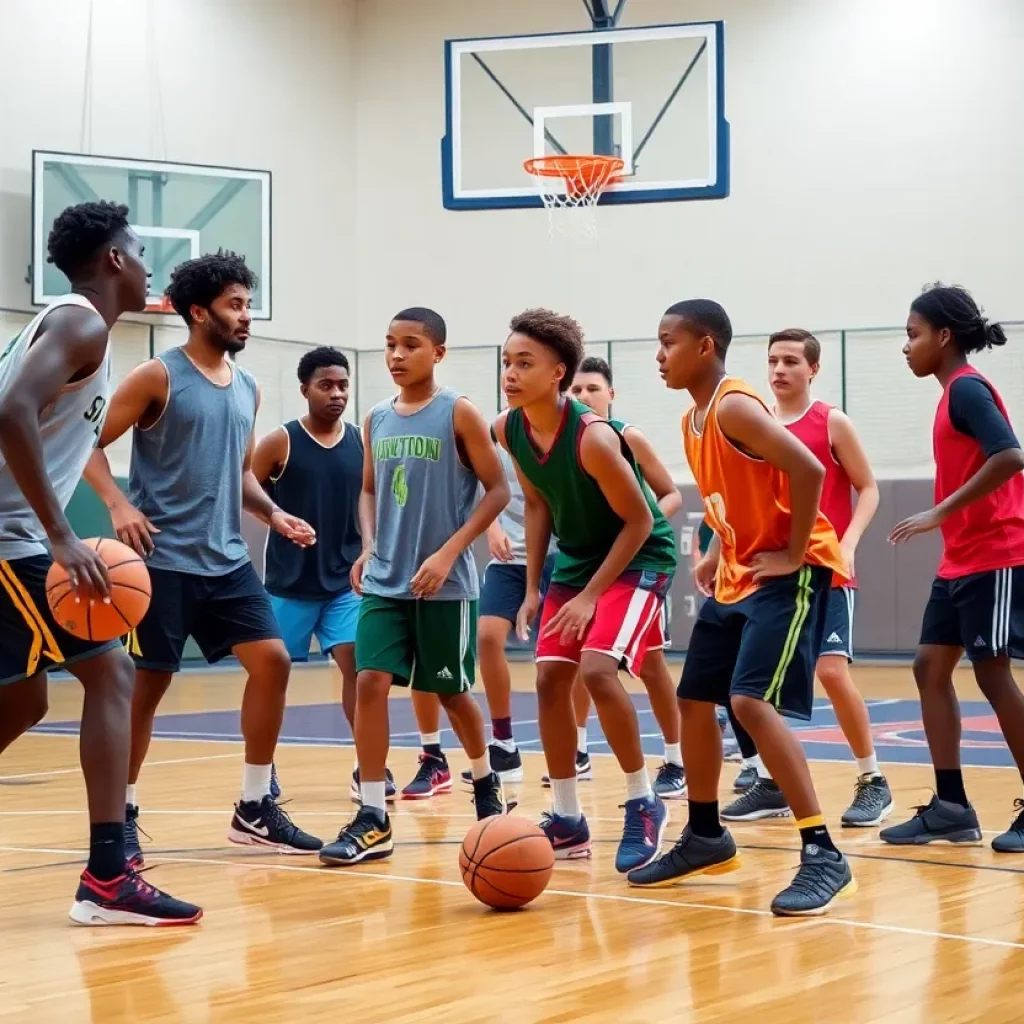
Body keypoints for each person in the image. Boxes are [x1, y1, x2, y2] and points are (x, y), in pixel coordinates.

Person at [84, 251, 322, 864]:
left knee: (273, 663)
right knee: (146, 690)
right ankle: (124, 810)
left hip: (227, 560)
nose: (247, 317)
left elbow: (241, 472)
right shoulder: (156, 377)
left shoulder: (247, 386)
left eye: (247, 304)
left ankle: (253, 806)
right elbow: (85, 445)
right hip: (159, 562)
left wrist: (273, 514)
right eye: (235, 305)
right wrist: (116, 504)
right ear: (198, 312)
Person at [0, 201, 200, 924]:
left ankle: (110, 876)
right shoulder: (80, 320)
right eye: (141, 250)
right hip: (11, 537)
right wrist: (60, 535)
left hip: (16, 533)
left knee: (24, 697)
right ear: (115, 260)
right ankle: (110, 876)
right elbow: (11, 413)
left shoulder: (67, 326)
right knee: (113, 671)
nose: (149, 263)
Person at [630, 298, 855, 917]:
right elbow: (735, 493)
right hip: (736, 575)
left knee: (749, 701)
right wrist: (711, 550)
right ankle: (705, 834)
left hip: (789, 574)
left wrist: (790, 550)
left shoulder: (733, 404)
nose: (659, 354)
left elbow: (808, 469)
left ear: (704, 345)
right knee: (694, 700)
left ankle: (823, 853)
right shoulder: (693, 419)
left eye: (668, 341)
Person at [319, 307, 509, 866]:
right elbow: (370, 491)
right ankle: (374, 814)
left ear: (438, 353)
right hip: (385, 580)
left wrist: (450, 553)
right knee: (370, 681)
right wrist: (370, 546)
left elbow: (496, 490)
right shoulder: (376, 417)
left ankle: (484, 781)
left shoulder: (460, 413)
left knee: (452, 694)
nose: (397, 356)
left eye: (411, 345)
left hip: (444, 588)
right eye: (390, 345)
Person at [496, 309, 678, 872]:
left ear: (558, 373)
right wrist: (532, 586)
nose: (511, 372)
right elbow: (538, 504)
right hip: (575, 562)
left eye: (525, 363)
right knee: (551, 677)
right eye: (507, 361)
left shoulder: (595, 438)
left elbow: (641, 522)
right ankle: (569, 818)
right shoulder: (508, 428)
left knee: (598, 669)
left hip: (639, 557)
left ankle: (643, 798)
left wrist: (590, 596)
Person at [720, 328, 891, 827]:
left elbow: (869, 488)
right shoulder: (755, 421)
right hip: (767, 573)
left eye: (791, 361)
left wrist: (849, 543)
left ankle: (872, 780)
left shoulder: (830, 421)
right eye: (773, 361)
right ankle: (773, 784)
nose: (779, 370)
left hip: (822, 566)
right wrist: (715, 551)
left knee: (832, 672)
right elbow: (738, 495)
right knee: (759, 684)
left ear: (812, 368)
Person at [882, 284, 1024, 851]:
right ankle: (950, 807)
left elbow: (1010, 454)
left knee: (991, 674)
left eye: (913, 334)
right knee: (928, 668)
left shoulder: (966, 390)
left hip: (995, 554)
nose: (906, 346)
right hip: (961, 560)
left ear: (943, 338)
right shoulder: (949, 396)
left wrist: (939, 511)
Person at [252, 346, 395, 804]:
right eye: (326, 385)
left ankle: (367, 766)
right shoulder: (281, 442)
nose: (337, 394)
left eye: (343, 385)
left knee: (361, 669)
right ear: (304, 390)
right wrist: (276, 518)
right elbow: (248, 487)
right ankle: (262, 768)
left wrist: (371, 549)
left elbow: (371, 497)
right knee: (270, 677)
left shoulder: (361, 441)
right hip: (289, 585)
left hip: (345, 584)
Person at [566, 356, 685, 798]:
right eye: (576, 391)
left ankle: (675, 759)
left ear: (610, 394)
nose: (583, 397)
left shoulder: (626, 436)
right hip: (589, 566)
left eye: (592, 389)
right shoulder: (568, 443)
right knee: (583, 660)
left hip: (635, 565)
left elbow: (669, 494)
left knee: (651, 668)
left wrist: (645, 522)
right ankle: (578, 751)